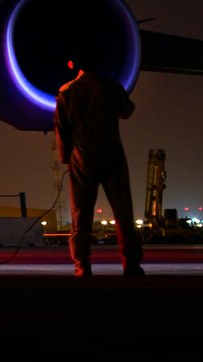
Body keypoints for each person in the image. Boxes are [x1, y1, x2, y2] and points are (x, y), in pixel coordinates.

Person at [54, 59, 144, 278]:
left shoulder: (67, 91)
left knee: (80, 216)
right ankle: (131, 265)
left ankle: (82, 266)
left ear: (73, 64)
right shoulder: (111, 87)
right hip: (112, 152)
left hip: (82, 155)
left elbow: (61, 127)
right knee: (123, 214)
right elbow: (127, 110)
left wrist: (66, 157)